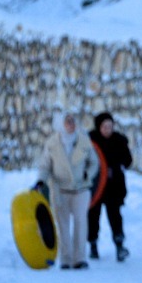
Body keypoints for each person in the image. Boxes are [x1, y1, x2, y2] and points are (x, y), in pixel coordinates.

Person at [38, 111, 99, 270]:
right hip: (60, 190)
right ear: (60, 124)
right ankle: (65, 258)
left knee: (81, 223)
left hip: (80, 189)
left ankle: (80, 258)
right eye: (67, 121)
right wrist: (40, 181)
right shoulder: (52, 144)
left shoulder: (84, 141)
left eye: (73, 121)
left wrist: (88, 174)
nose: (71, 124)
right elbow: (45, 166)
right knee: (62, 225)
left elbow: (94, 162)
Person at [87, 112, 134, 261]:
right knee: (93, 217)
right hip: (96, 186)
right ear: (98, 127)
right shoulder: (90, 141)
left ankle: (119, 246)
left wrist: (123, 148)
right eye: (104, 126)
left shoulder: (118, 140)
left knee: (115, 217)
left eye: (110, 126)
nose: (107, 129)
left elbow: (128, 162)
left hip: (114, 187)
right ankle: (93, 245)